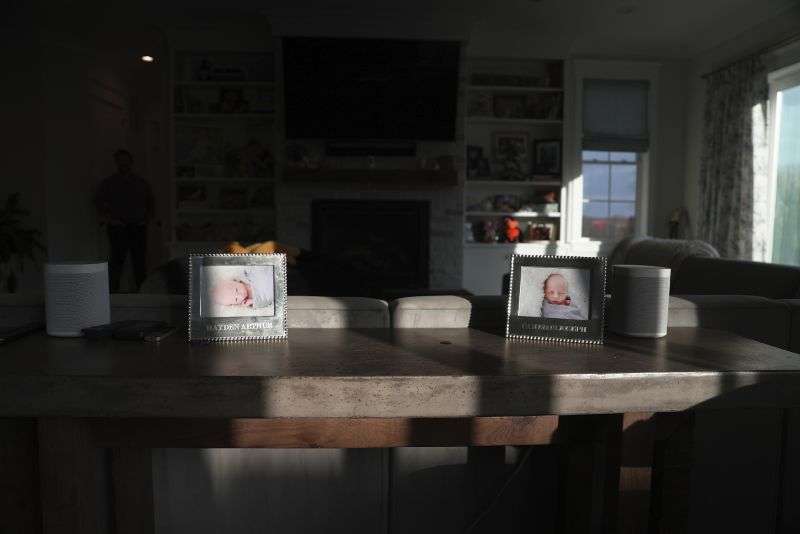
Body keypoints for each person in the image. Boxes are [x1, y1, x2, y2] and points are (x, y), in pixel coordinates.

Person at [94, 149, 154, 292]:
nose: (123, 163)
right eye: (120, 160)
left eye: (126, 160)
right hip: (118, 227)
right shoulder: (108, 183)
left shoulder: (141, 183)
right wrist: (109, 219)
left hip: (138, 227)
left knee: (139, 261)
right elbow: (98, 202)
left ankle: (143, 292)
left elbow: (151, 203)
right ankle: (112, 293)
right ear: (116, 163)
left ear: (131, 162)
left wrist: (145, 220)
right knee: (117, 261)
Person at [208, 268, 274, 311]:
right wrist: (252, 302)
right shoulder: (250, 301)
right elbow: (266, 301)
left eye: (237, 290)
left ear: (235, 281)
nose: (241, 296)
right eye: (236, 299)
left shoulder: (245, 275)